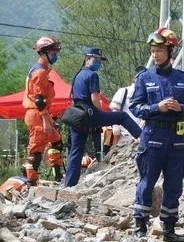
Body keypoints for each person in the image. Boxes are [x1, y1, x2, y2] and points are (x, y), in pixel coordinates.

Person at [130, 28, 184, 242]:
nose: (155, 54)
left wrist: (180, 108)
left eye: (159, 50)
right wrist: (157, 107)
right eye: (152, 50)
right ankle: (140, 227)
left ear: (170, 50)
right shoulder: (144, 78)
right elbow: (135, 107)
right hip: (152, 137)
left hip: (176, 140)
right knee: (147, 182)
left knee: (174, 185)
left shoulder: (183, 79)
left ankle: (169, 229)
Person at [64, 48, 142, 187]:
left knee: (76, 151)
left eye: (100, 60)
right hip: (89, 114)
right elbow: (94, 99)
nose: (99, 63)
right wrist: (101, 113)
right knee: (122, 116)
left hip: (76, 116)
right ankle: (142, 138)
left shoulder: (78, 75)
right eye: (96, 59)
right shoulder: (92, 75)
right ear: (87, 59)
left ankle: (69, 185)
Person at [22, 36, 65, 184]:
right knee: (36, 150)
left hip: (41, 114)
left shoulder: (43, 71)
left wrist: (50, 120)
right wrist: (47, 121)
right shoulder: (39, 72)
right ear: (45, 52)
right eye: (53, 52)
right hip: (37, 114)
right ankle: (31, 183)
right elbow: (39, 100)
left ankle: (58, 176)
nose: (55, 55)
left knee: (56, 141)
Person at [109, 67, 146, 143]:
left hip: (141, 137)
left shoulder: (147, 95)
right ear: (136, 78)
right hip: (123, 136)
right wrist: (116, 128)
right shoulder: (124, 91)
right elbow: (114, 111)